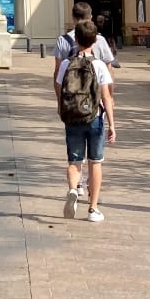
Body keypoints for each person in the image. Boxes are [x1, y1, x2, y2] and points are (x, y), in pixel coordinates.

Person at [54, 20, 115, 223]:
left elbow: (58, 86)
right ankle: (93, 209)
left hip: (72, 117)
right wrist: (112, 124)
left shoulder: (66, 64)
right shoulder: (98, 65)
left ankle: (73, 189)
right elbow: (106, 96)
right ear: (95, 40)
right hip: (95, 119)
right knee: (95, 162)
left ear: (76, 39)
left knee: (74, 161)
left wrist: (61, 107)